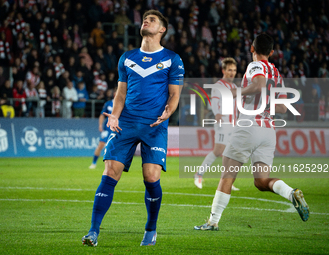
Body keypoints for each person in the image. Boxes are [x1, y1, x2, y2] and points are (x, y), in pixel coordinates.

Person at [82, 10, 184, 247]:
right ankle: (93, 231)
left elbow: (175, 94)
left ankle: (150, 229)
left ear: (162, 30)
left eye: (152, 20)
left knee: (151, 176)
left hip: (154, 125)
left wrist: (169, 110)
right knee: (109, 172)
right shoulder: (127, 58)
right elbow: (120, 93)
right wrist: (114, 117)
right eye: (144, 19)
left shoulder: (172, 58)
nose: (145, 21)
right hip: (125, 123)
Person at [194, 34, 309, 231]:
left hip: (249, 125)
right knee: (261, 181)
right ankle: (291, 193)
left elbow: (258, 85)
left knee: (228, 174)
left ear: (252, 49)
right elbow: (282, 108)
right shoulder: (276, 73)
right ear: (272, 52)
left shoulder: (256, 66)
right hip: (268, 131)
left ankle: (212, 222)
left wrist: (236, 92)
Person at [194, 57, 239, 191]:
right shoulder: (218, 86)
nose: (232, 73)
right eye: (229, 70)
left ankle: (226, 182)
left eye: (234, 70)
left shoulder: (235, 86)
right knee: (219, 150)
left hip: (233, 123)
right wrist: (217, 113)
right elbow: (214, 101)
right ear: (223, 70)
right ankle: (199, 174)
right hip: (222, 122)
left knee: (229, 153)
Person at [88, 98, 113, 169]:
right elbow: (102, 115)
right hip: (107, 129)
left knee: (115, 147)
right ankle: (93, 163)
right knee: (101, 145)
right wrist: (100, 125)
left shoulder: (123, 103)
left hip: (116, 128)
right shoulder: (108, 103)